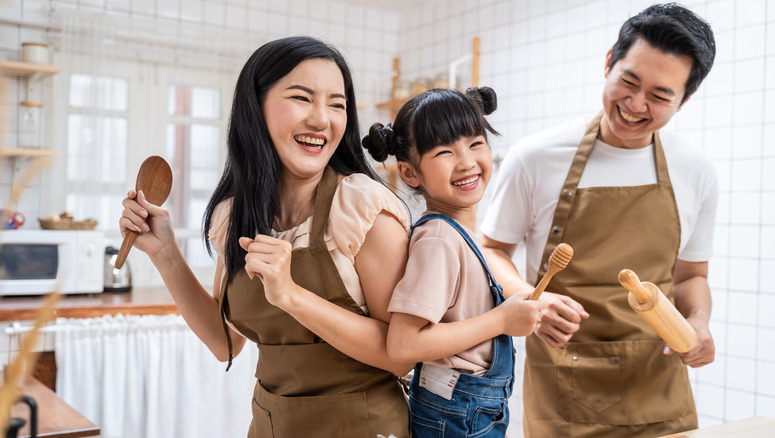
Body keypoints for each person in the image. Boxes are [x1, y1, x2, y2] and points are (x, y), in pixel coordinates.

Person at [120, 36, 413, 437]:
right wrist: (165, 252)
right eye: (302, 98)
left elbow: (402, 357)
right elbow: (226, 343)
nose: (322, 119)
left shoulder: (363, 208)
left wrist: (291, 295)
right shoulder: (235, 214)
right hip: (271, 426)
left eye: (336, 103)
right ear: (256, 108)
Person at [480, 3, 718, 437]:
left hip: (659, 391)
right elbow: (492, 250)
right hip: (564, 392)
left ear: (685, 99)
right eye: (628, 81)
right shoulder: (536, 157)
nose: (635, 104)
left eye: (660, 95)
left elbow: (690, 278)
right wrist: (532, 299)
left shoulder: (695, 172)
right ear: (608, 62)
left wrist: (698, 322)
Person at [363, 87, 544, 437]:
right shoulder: (440, 240)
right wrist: (502, 319)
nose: (466, 162)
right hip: (455, 415)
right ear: (410, 173)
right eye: (445, 152)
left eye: (476, 143)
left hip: (469, 409)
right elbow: (403, 345)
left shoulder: (459, 235)